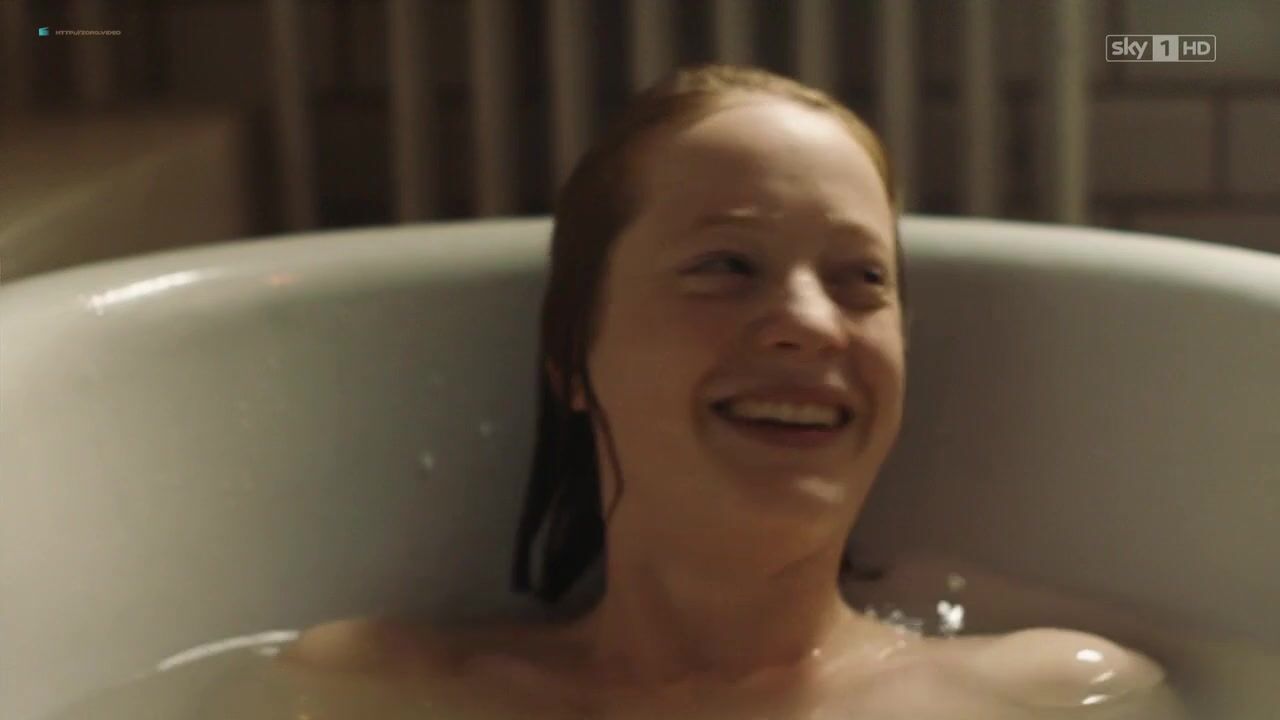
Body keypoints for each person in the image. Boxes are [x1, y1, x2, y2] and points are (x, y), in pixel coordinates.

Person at [280, 64, 1186, 719]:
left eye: (861, 279)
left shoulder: (1059, 700)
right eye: (725, 266)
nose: (812, 324)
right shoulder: (377, 693)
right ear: (572, 358)